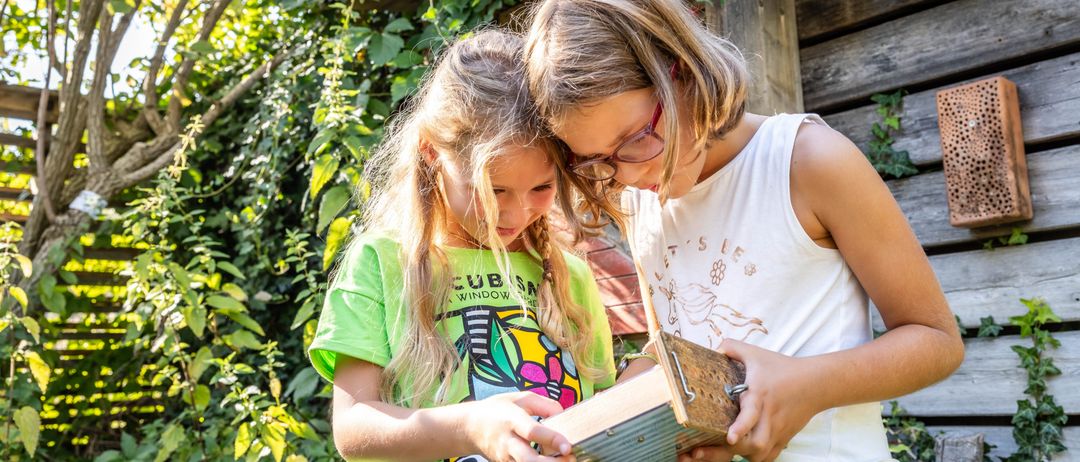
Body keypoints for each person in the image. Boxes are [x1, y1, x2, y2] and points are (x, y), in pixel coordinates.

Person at [523, 1, 965, 460]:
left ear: (684, 71)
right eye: (597, 161)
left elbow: (936, 341)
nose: (628, 176)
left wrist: (808, 386)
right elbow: (670, 350)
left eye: (635, 139)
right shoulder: (639, 197)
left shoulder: (808, 161)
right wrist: (608, 420)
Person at [308, 29, 616, 462]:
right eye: (494, 191)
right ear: (433, 154)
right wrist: (467, 427)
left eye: (542, 187)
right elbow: (353, 427)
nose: (515, 213)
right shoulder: (381, 263)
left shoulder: (572, 278)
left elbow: (602, 413)